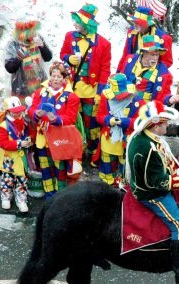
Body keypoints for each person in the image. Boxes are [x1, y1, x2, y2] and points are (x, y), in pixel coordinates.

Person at [126, 100, 179, 284]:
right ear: (155, 125)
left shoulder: (153, 140)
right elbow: (155, 183)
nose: (167, 125)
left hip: (155, 184)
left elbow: (168, 163)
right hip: (150, 194)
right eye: (164, 123)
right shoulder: (147, 148)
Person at [60, 3, 111, 167]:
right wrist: (68, 58)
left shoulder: (103, 44)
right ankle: (75, 151)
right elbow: (62, 54)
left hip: (90, 91)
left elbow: (105, 70)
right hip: (72, 90)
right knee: (73, 122)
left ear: (87, 24)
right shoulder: (70, 36)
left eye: (78, 21)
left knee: (91, 125)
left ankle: (92, 153)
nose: (74, 24)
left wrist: (99, 93)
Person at [28, 61, 81, 199]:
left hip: (59, 140)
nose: (55, 79)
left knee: (60, 170)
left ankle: (60, 197)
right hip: (42, 138)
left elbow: (71, 118)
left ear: (65, 79)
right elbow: (31, 109)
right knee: (46, 169)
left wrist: (56, 119)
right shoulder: (40, 92)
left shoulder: (72, 97)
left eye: (59, 77)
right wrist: (36, 113)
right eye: (53, 75)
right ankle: (49, 196)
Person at [96, 73, 145, 185]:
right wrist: (109, 120)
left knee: (126, 168)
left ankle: (124, 189)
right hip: (109, 139)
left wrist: (125, 122)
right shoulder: (105, 96)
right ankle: (106, 187)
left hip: (126, 140)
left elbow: (142, 121)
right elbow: (99, 116)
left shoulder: (136, 99)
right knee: (107, 167)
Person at [0, 96, 31, 213]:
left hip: (21, 158)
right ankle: (5, 197)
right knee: (7, 179)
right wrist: (19, 143)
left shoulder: (24, 123)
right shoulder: (4, 126)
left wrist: (29, 140)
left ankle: (21, 199)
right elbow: (2, 142)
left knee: (22, 179)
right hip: (9, 158)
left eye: (19, 111)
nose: (18, 113)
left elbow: (27, 135)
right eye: (15, 112)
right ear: (8, 111)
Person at [4, 19, 53, 101]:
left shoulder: (38, 38)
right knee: (23, 110)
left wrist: (42, 46)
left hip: (40, 83)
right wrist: (19, 57)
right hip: (21, 87)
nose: (33, 34)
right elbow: (10, 68)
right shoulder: (14, 44)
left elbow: (48, 58)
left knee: (39, 108)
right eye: (30, 31)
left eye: (34, 30)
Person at [118, 34, 173, 104]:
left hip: (144, 110)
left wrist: (169, 99)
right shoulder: (130, 60)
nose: (155, 58)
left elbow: (164, 94)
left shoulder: (163, 73)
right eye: (153, 55)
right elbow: (120, 80)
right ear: (144, 52)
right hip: (123, 103)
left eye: (157, 55)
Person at [117, 6, 173, 72]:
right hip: (131, 72)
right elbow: (125, 55)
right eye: (134, 21)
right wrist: (119, 73)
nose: (134, 24)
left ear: (146, 24)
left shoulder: (164, 38)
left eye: (138, 22)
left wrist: (148, 75)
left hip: (150, 76)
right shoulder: (132, 32)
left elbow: (166, 63)